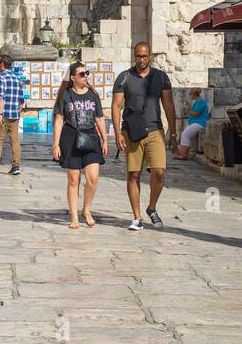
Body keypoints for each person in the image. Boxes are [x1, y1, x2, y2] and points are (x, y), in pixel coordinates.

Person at [111, 41, 177, 231]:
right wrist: (117, 133)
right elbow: (116, 106)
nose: (142, 59)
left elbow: (169, 105)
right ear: (134, 56)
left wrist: (173, 133)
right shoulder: (124, 77)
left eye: (145, 56)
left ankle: (152, 207)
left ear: (150, 56)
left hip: (155, 129)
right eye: (138, 56)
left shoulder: (161, 77)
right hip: (132, 131)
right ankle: (137, 217)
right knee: (133, 174)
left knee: (159, 172)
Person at [52, 61, 107, 229]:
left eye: (87, 73)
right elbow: (59, 120)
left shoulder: (93, 94)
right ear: (73, 77)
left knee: (93, 178)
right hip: (71, 139)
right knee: (73, 179)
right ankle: (74, 216)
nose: (86, 76)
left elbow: (99, 117)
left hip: (90, 137)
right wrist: (56, 144)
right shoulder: (66, 95)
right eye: (82, 74)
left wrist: (105, 139)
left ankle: (87, 210)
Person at [0, 54, 26, 175]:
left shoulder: (1, 77)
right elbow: (22, 101)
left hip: (5, 113)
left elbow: (0, 97)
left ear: (2, 64)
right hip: (15, 114)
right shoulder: (17, 79)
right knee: (15, 140)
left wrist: (0, 114)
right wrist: (18, 112)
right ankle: (16, 166)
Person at [177, 88, 209, 161]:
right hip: (196, 122)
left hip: (200, 123)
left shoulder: (201, 102)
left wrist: (188, 109)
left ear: (194, 94)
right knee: (186, 134)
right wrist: (189, 107)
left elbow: (195, 114)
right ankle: (183, 154)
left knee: (185, 134)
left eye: (190, 93)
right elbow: (194, 111)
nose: (189, 95)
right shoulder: (197, 102)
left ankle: (183, 155)